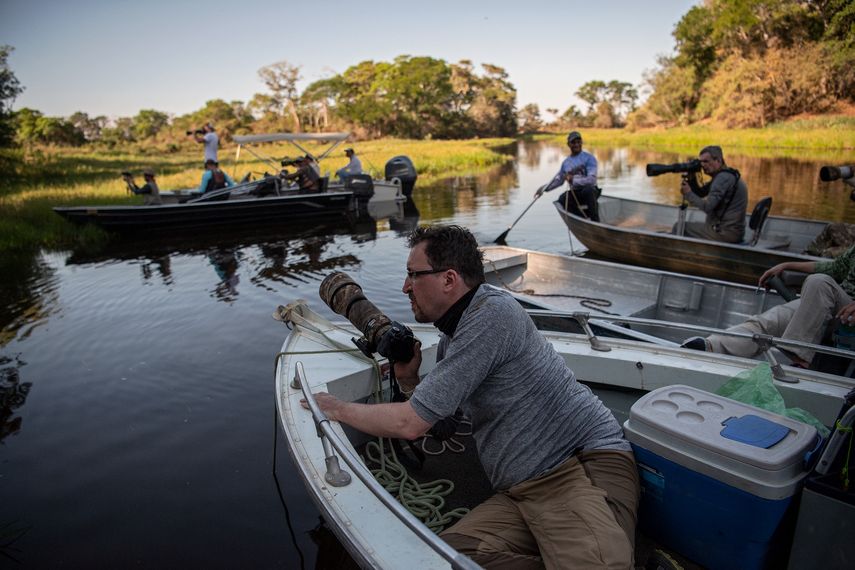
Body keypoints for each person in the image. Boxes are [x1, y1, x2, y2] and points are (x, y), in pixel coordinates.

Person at [305, 224, 639, 568]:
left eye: (412, 276)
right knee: (447, 558)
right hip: (524, 489)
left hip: (575, 468)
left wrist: (337, 409)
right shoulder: (457, 335)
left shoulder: (492, 316)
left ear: (449, 280)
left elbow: (410, 425)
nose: (405, 287)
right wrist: (409, 381)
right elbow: (446, 426)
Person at [681, 249, 855, 368]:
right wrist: (787, 265)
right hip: (838, 305)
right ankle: (713, 347)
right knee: (769, 321)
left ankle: (799, 360)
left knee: (819, 281)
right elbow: (835, 267)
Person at [673, 145, 748, 243]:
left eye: (706, 161)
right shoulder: (726, 174)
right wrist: (692, 177)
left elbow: (708, 207)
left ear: (718, 161)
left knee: (679, 226)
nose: (702, 165)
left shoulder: (722, 179)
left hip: (725, 233)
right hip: (733, 231)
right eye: (701, 162)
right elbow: (701, 193)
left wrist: (688, 193)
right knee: (692, 226)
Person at [535, 131, 600, 222]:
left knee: (588, 190)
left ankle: (595, 221)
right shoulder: (566, 163)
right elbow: (558, 181)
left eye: (579, 142)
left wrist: (573, 179)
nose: (576, 144)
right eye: (573, 142)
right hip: (576, 193)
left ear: (581, 142)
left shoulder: (589, 158)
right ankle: (583, 219)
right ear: (568, 144)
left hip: (590, 191)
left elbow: (592, 180)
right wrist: (544, 188)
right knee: (562, 200)